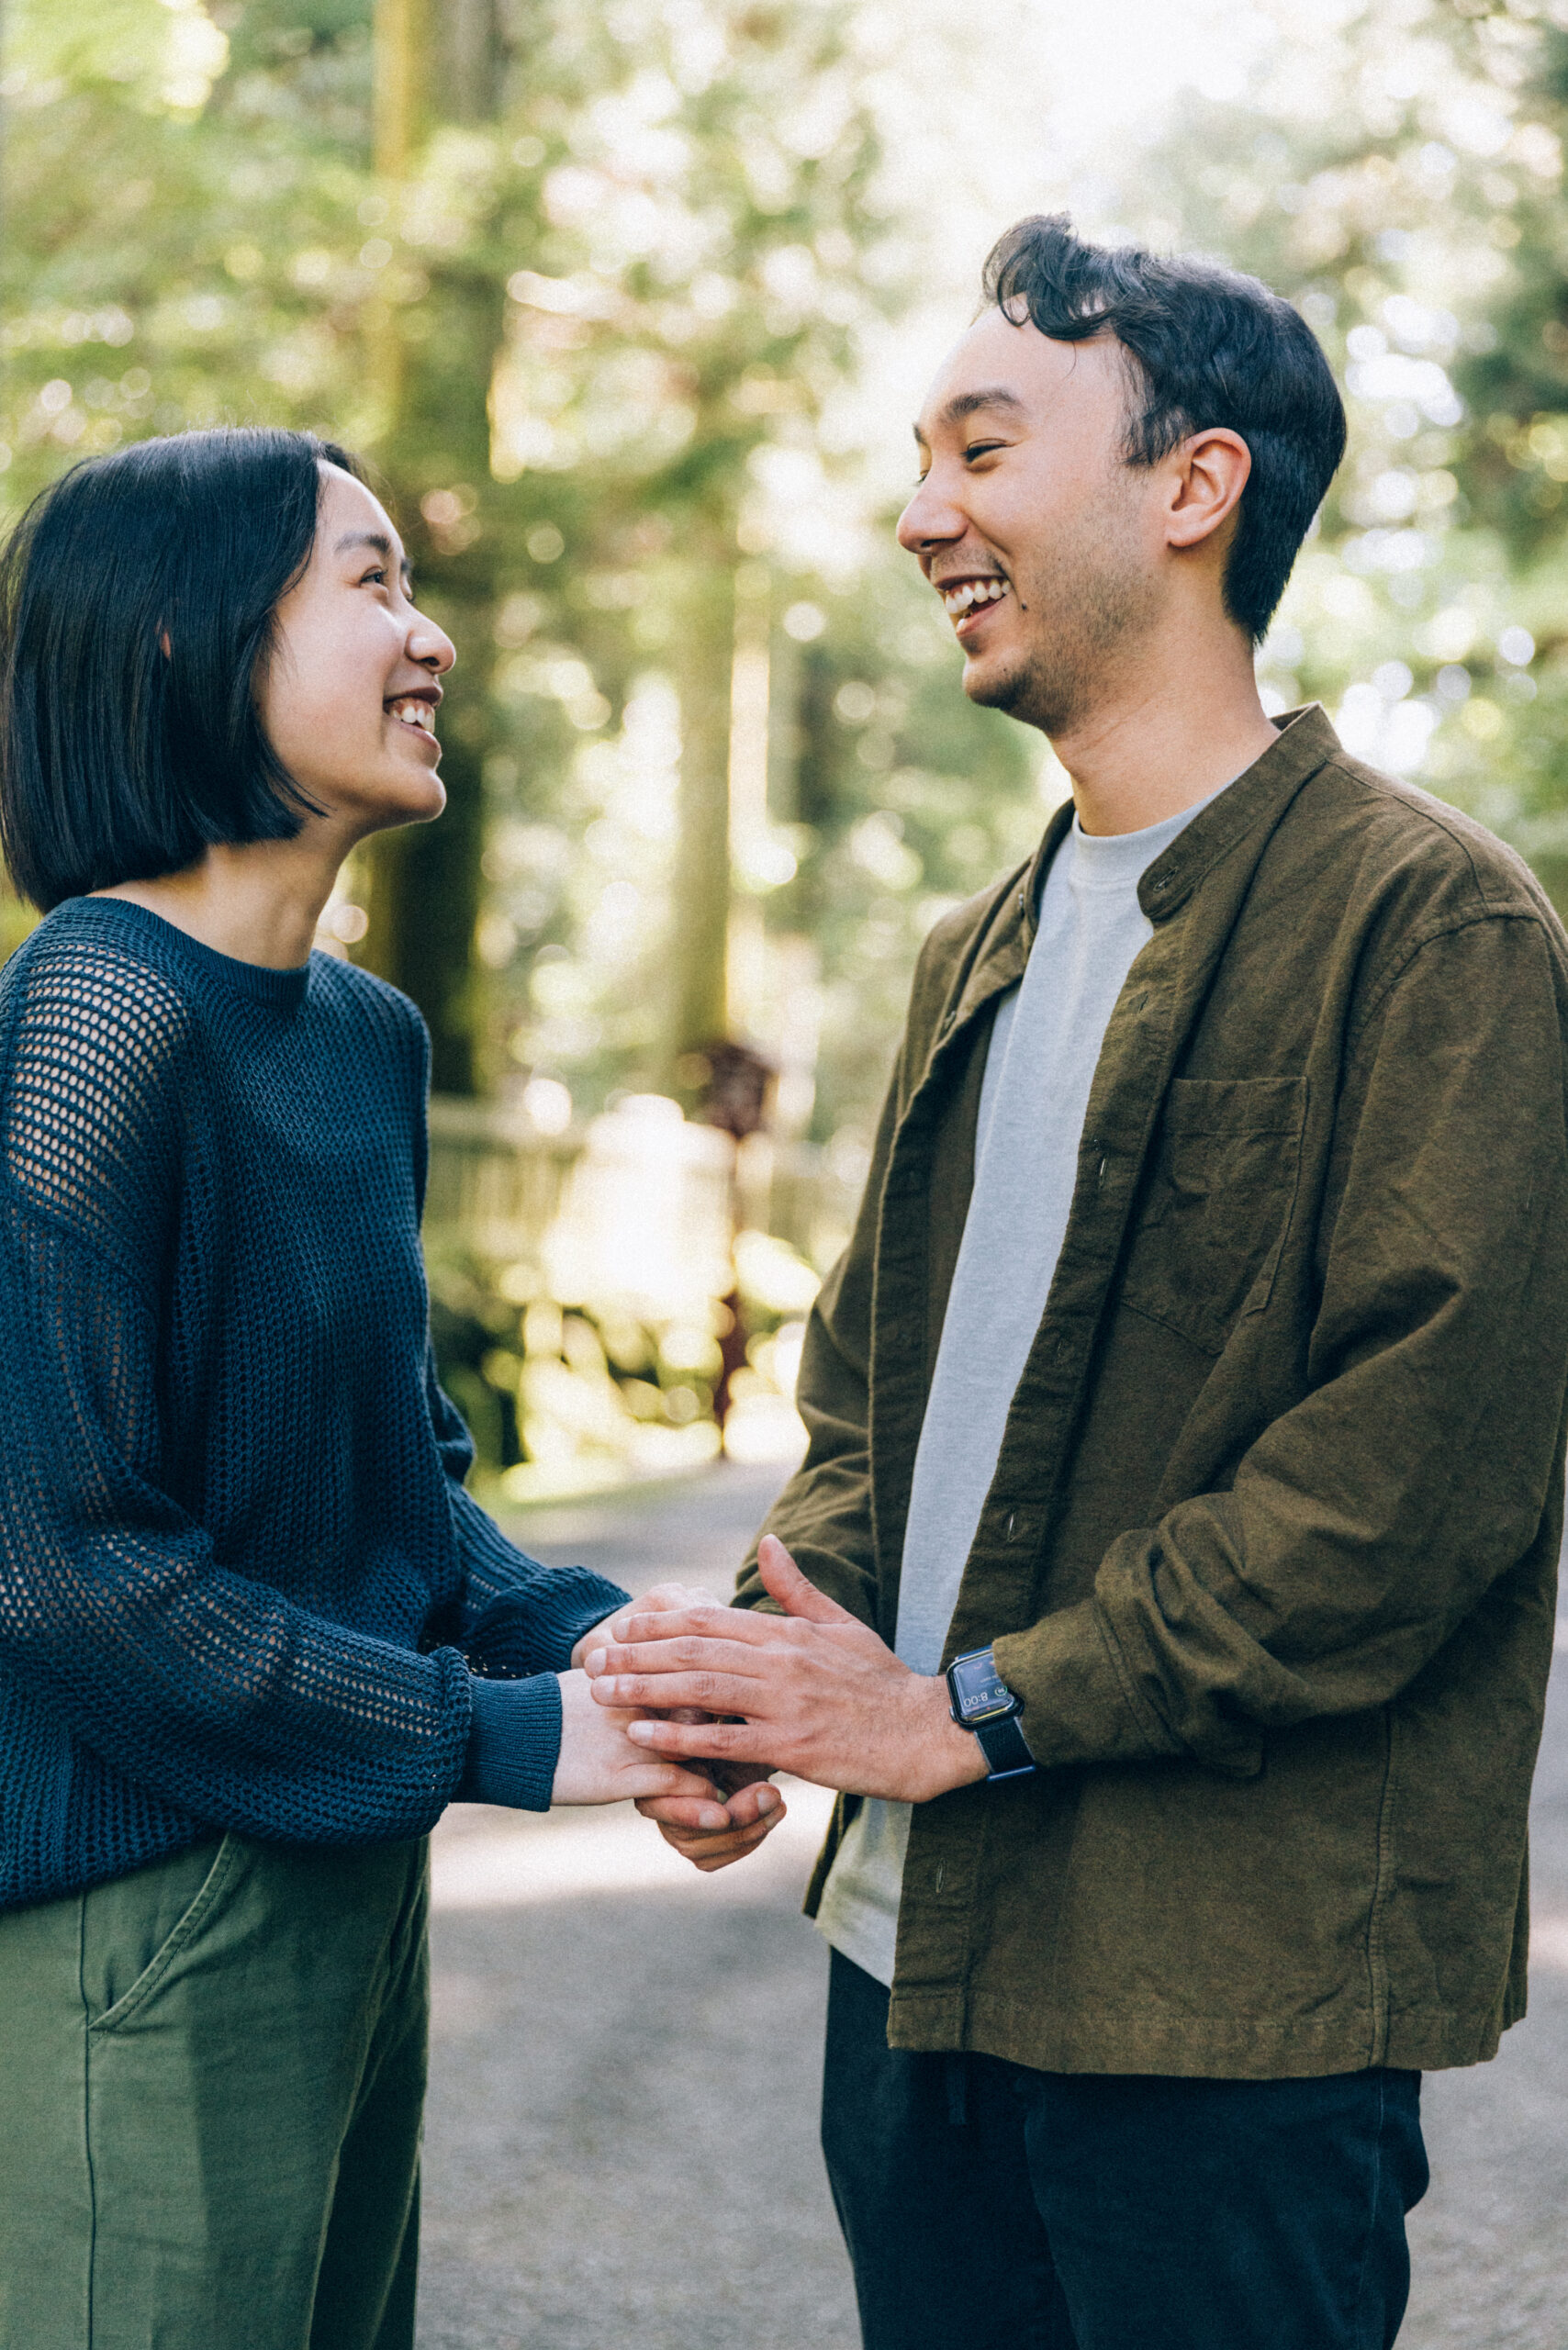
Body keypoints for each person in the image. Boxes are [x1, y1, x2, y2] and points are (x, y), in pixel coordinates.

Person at [592, 215, 1568, 2348]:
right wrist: (766, 1675)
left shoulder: (1432, 929)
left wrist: (976, 1709)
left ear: (1190, 484)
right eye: (917, 461)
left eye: (981, 448)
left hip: (1216, 2012)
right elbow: (868, 1405)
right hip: (906, 1965)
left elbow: (1404, 1488)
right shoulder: (974, 944)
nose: (920, 513)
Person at [0, 426, 771, 2350]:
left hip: (348, 1868)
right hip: (149, 1902)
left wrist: (618, 1661)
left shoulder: (363, 1036)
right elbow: (61, 1567)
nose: (428, 638)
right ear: (184, 641)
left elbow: (397, 1485)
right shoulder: (96, 1012)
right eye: (369, 583)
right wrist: (505, 1736)